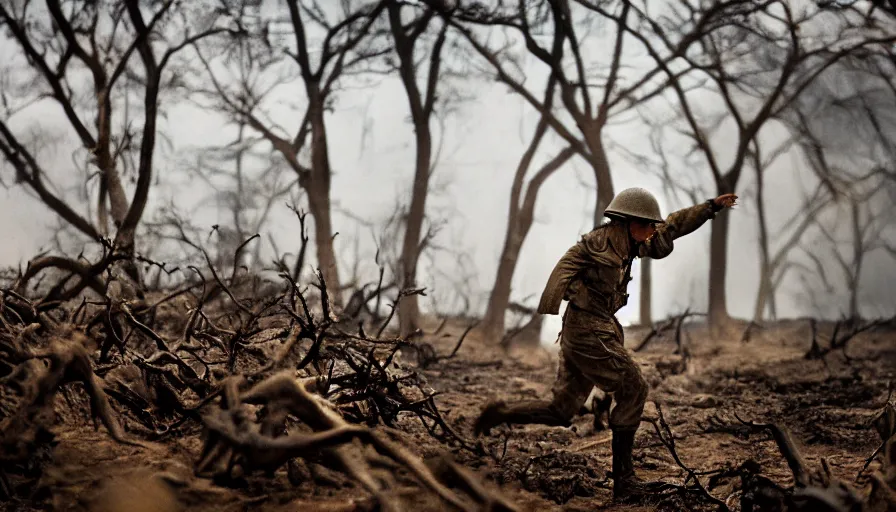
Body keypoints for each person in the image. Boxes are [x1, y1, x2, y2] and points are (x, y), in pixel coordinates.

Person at [473, 187, 738, 502]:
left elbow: (673, 225)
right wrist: (559, 300)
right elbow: (562, 271)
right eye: (648, 224)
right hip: (587, 330)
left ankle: (499, 414)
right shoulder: (596, 244)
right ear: (628, 221)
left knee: (561, 411)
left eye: (653, 226)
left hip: (590, 329)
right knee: (634, 388)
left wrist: (710, 207)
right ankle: (624, 483)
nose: (654, 230)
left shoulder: (633, 241)